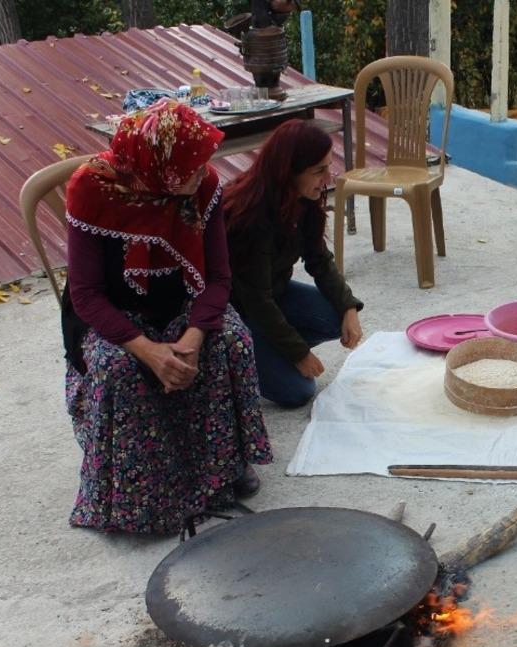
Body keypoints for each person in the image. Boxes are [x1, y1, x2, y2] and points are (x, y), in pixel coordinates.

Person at [62, 99, 273, 534]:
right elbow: (86, 294)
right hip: (115, 313)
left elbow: (217, 277)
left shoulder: (202, 185)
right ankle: (138, 490)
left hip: (181, 301)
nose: (202, 173)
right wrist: (148, 350)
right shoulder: (91, 188)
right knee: (119, 369)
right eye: (191, 167)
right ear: (158, 166)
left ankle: (223, 466)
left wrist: (193, 337)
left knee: (230, 339)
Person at [223, 120, 363, 408]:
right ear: (289, 172)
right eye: (318, 171)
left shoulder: (302, 198)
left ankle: (269, 351)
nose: (327, 178)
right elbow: (257, 301)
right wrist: (299, 354)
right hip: (234, 312)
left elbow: (319, 260)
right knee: (298, 391)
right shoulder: (249, 215)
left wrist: (349, 306)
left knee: (336, 315)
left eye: (328, 167)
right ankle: (234, 360)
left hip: (274, 292)